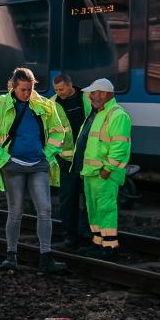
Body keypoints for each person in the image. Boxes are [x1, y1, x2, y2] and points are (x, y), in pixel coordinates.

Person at [0, 67, 68, 273]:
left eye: (30, 89)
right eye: (23, 90)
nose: (27, 94)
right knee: (15, 212)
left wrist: (46, 155)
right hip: (13, 166)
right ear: (13, 87)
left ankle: (46, 257)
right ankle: (11, 256)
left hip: (38, 164)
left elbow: (57, 132)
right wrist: (5, 161)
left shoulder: (44, 105)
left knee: (45, 210)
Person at [76, 78, 132, 260]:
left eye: (93, 93)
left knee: (106, 209)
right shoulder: (100, 113)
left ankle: (110, 247)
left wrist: (108, 168)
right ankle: (98, 243)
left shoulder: (117, 115)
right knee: (94, 209)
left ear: (104, 94)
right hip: (93, 173)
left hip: (105, 174)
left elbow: (119, 147)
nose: (91, 96)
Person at [51, 73, 89, 247]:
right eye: (56, 89)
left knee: (89, 199)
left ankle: (87, 234)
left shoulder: (87, 98)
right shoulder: (52, 102)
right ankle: (69, 235)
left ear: (70, 85)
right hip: (65, 160)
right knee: (67, 200)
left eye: (61, 89)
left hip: (87, 158)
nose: (59, 92)